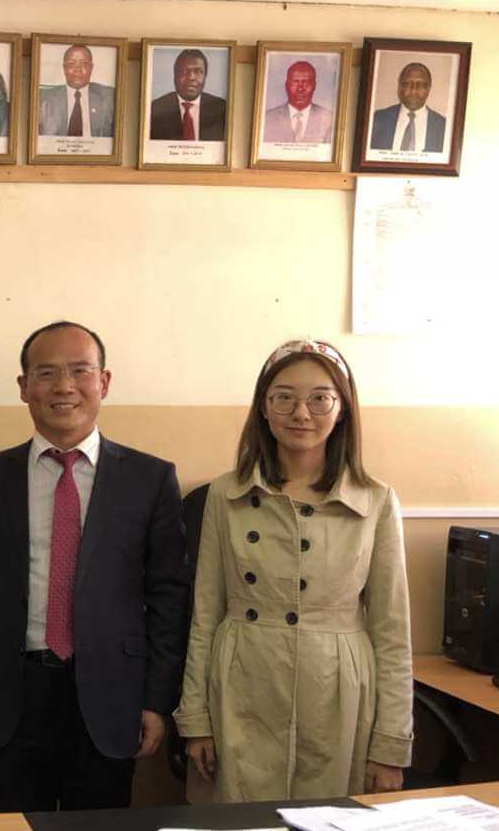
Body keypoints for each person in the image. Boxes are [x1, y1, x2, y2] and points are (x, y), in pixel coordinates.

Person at [0, 322, 189, 812]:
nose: (64, 386)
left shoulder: (149, 479)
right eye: (46, 372)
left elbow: (168, 600)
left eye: (79, 371)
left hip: (111, 693)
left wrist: (156, 699)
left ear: (103, 382)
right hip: (13, 693)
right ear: (23, 387)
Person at [175, 339, 413, 802]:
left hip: (337, 695)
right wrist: (196, 720)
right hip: (243, 685)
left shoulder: (376, 501)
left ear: (342, 408)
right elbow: (205, 612)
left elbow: (392, 631)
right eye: (283, 397)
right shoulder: (226, 495)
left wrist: (390, 745)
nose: (301, 413)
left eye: (319, 398)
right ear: (263, 408)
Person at [37, 44, 115, 138]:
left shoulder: (109, 97)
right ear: (64, 68)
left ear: (91, 68)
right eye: (71, 63)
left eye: (84, 63)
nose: (78, 69)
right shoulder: (44, 99)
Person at [149, 48, 226, 141]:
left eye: (198, 72)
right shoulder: (155, 110)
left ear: (205, 76)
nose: (191, 77)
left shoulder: (222, 109)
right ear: (175, 76)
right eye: (185, 71)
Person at [369, 62, 446, 153]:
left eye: (420, 84)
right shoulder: (377, 119)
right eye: (408, 83)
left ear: (428, 88)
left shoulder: (443, 126)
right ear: (400, 87)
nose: (413, 89)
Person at [261, 60, 335, 143]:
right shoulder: (267, 119)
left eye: (306, 82)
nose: (300, 88)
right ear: (286, 85)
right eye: (295, 82)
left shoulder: (329, 119)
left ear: (314, 86)